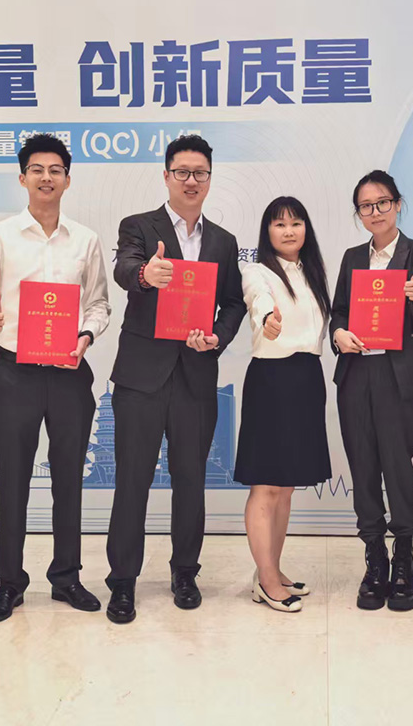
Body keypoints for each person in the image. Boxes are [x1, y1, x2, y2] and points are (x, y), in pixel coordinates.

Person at [0, 134, 111, 623]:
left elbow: (99, 303)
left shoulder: (85, 239)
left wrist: (86, 335)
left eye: (56, 170)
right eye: (37, 170)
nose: (47, 177)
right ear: (22, 178)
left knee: (69, 479)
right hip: (15, 374)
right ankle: (9, 583)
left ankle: (66, 577)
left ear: (68, 179)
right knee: (13, 480)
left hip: (69, 373)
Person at [104, 134, 246, 624]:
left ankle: (185, 572)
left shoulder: (224, 241)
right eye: (182, 172)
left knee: (191, 480)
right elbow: (124, 268)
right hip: (141, 377)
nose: (191, 181)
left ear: (210, 178)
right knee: (132, 480)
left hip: (195, 375)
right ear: (166, 176)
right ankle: (123, 580)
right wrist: (147, 275)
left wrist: (218, 337)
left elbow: (233, 303)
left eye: (199, 173)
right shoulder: (139, 226)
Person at [330, 169, 413, 612]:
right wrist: (338, 334)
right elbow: (338, 311)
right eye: (365, 206)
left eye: (382, 203)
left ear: (397, 204)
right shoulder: (352, 257)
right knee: (362, 465)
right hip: (357, 373)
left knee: (397, 465)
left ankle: (404, 559)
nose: (374, 212)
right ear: (358, 213)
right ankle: (374, 557)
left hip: (399, 376)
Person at [236, 196, 332, 613]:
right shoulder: (256, 271)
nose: (289, 231)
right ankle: (266, 580)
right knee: (266, 484)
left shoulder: (313, 273)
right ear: (267, 232)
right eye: (279, 224)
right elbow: (258, 299)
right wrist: (267, 319)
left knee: (287, 486)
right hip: (271, 381)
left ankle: (272, 569)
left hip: (307, 378)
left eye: (296, 223)